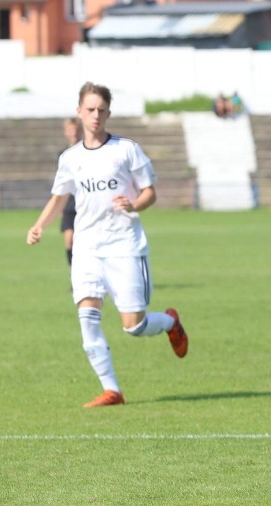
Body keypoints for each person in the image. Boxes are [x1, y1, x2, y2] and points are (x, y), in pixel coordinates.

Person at [26, 82, 189, 408]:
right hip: (87, 248)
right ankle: (112, 390)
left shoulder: (126, 149)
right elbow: (60, 196)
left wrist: (133, 205)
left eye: (101, 110)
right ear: (79, 113)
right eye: (90, 109)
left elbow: (149, 192)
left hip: (124, 246)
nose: (95, 115)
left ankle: (170, 322)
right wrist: (39, 225)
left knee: (135, 327)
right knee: (87, 317)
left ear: (108, 113)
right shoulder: (70, 158)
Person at [59, 117, 81, 267]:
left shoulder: (87, 151)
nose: (73, 132)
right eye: (70, 129)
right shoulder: (62, 155)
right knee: (69, 240)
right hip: (68, 203)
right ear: (65, 132)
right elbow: (60, 182)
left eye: (75, 129)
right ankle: (74, 274)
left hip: (83, 200)